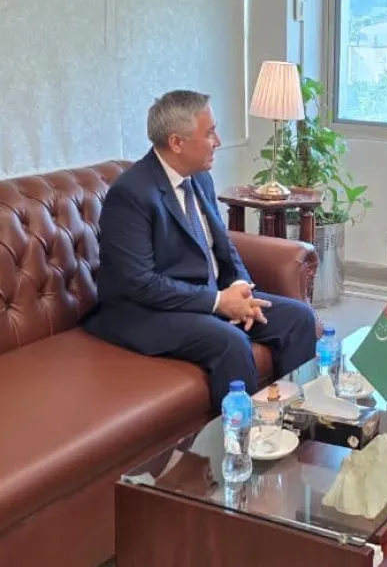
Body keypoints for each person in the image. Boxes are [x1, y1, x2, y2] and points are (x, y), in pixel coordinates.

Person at [84, 90, 317, 409]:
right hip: (146, 312)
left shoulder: (199, 179)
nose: (218, 141)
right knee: (232, 343)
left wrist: (240, 287)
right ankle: (244, 437)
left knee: (298, 318)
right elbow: (140, 283)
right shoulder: (131, 194)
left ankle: (297, 419)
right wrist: (218, 302)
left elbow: (223, 244)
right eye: (210, 133)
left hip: (204, 296)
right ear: (177, 142)